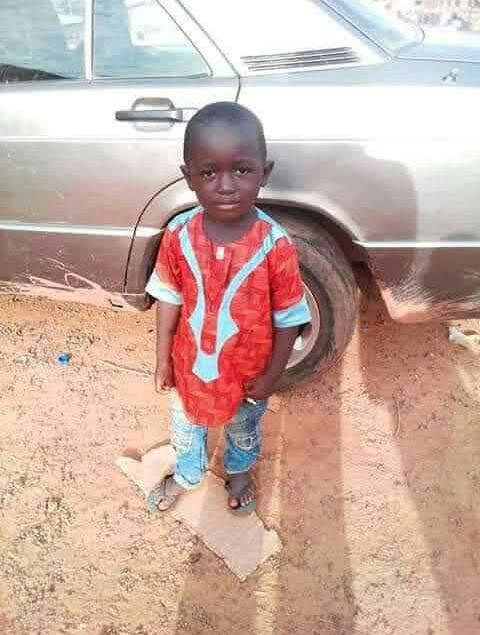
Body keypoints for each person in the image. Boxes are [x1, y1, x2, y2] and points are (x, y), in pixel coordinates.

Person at [145, 102, 311, 514]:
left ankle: (239, 472)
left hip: (247, 375)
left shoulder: (275, 244)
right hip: (188, 369)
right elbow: (169, 296)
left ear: (264, 173)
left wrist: (272, 374)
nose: (225, 186)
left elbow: (289, 316)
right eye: (208, 173)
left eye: (241, 170)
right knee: (186, 426)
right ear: (188, 177)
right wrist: (163, 358)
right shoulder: (178, 235)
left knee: (243, 428)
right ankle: (188, 474)